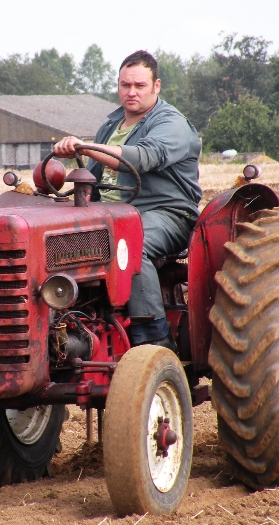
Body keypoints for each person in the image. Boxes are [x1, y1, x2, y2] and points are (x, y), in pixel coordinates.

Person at [53, 50, 202, 351]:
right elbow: (93, 178)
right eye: (125, 85)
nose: (131, 92)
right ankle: (71, 322)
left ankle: (154, 340)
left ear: (156, 86)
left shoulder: (171, 124)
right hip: (110, 216)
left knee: (130, 244)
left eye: (140, 85)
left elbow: (143, 157)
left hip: (167, 213)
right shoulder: (111, 127)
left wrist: (84, 146)